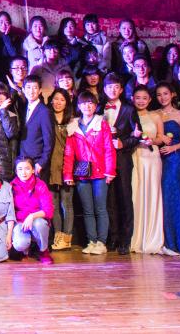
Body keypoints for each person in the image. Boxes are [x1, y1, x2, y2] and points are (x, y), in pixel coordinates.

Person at [62, 91, 116, 255]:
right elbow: (69, 153)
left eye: (91, 103)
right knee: (87, 210)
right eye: (84, 103)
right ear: (79, 106)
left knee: (100, 208)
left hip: (100, 172)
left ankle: (102, 242)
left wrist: (110, 171)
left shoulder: (101, 123)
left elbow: (109, 148)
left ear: (96, 106)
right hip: (82, 173)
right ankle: (91, 241)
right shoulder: (73, 125)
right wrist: (67, 174)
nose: (87, 106)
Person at [100, 73, 141, 254]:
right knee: (109, 200)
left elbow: (138, 135)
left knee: (124, 197)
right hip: (103, 160)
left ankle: (125, 239)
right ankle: (113, 237)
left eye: (116, 87)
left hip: (122, 159)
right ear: (104, 89)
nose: (113, 90)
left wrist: (123, 143)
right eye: (109, 87)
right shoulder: (99, 108)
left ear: (122, 89)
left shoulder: (129, 109)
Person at [157, 82, 180, 254]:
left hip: (174, 158)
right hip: (158, 157)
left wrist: (173, 148)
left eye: (165, 93)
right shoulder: (154, 114)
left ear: (172, 94)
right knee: (160, 195)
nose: (162, 97)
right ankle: (163, 239)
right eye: (159, 94)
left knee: (172, 193)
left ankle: (178, 240)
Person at [130, 85, 167, 255]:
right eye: (138, 98)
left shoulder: (155, 116)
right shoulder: (129, 115)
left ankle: (152, 238)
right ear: (132, 99)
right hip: (135, 156)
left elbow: (161, 138)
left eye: (144, 98)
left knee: (152, 195)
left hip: (152, 158)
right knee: (136, 195)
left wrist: (152, 141)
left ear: (150, 100)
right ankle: (136, 238)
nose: (141, 101)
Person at [11, 158, 54, 264]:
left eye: (27, 168)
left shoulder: (40, 185)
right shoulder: (11, 186)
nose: (23, 172)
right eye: (20, 169)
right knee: (20, 244)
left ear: (33, 170)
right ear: (16, 171)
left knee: (39, 224)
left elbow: (48, 210)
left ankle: (43, 251)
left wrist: (32, 216)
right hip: (20, 222)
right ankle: (26, 249)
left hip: (36, 220)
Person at [47, 88, 74, 251]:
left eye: (62, 100)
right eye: (56, 99)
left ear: (67, 103)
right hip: (50, 166)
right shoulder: (46, 117)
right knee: (53, 204)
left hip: (67, 166)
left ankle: (67, 238)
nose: (58, 102)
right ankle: (57, 236)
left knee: (66, 203)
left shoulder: (72, 121)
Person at [17, 76, 53, 181]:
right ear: (23, 89)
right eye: (28, 87)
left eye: (35, 87)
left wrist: (42, 162)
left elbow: (49, 140)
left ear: (40, 90)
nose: (31, 91)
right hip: (23, 162)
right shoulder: (23, 108)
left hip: (37, 164)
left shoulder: (44, 111)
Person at [0, 11, 21, 79]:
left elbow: (14, 55)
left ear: (10, 24)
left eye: (6, 22)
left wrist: (5, 36)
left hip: (11, 72)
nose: (4, 25)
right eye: (1, 22)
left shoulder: (15, 38)